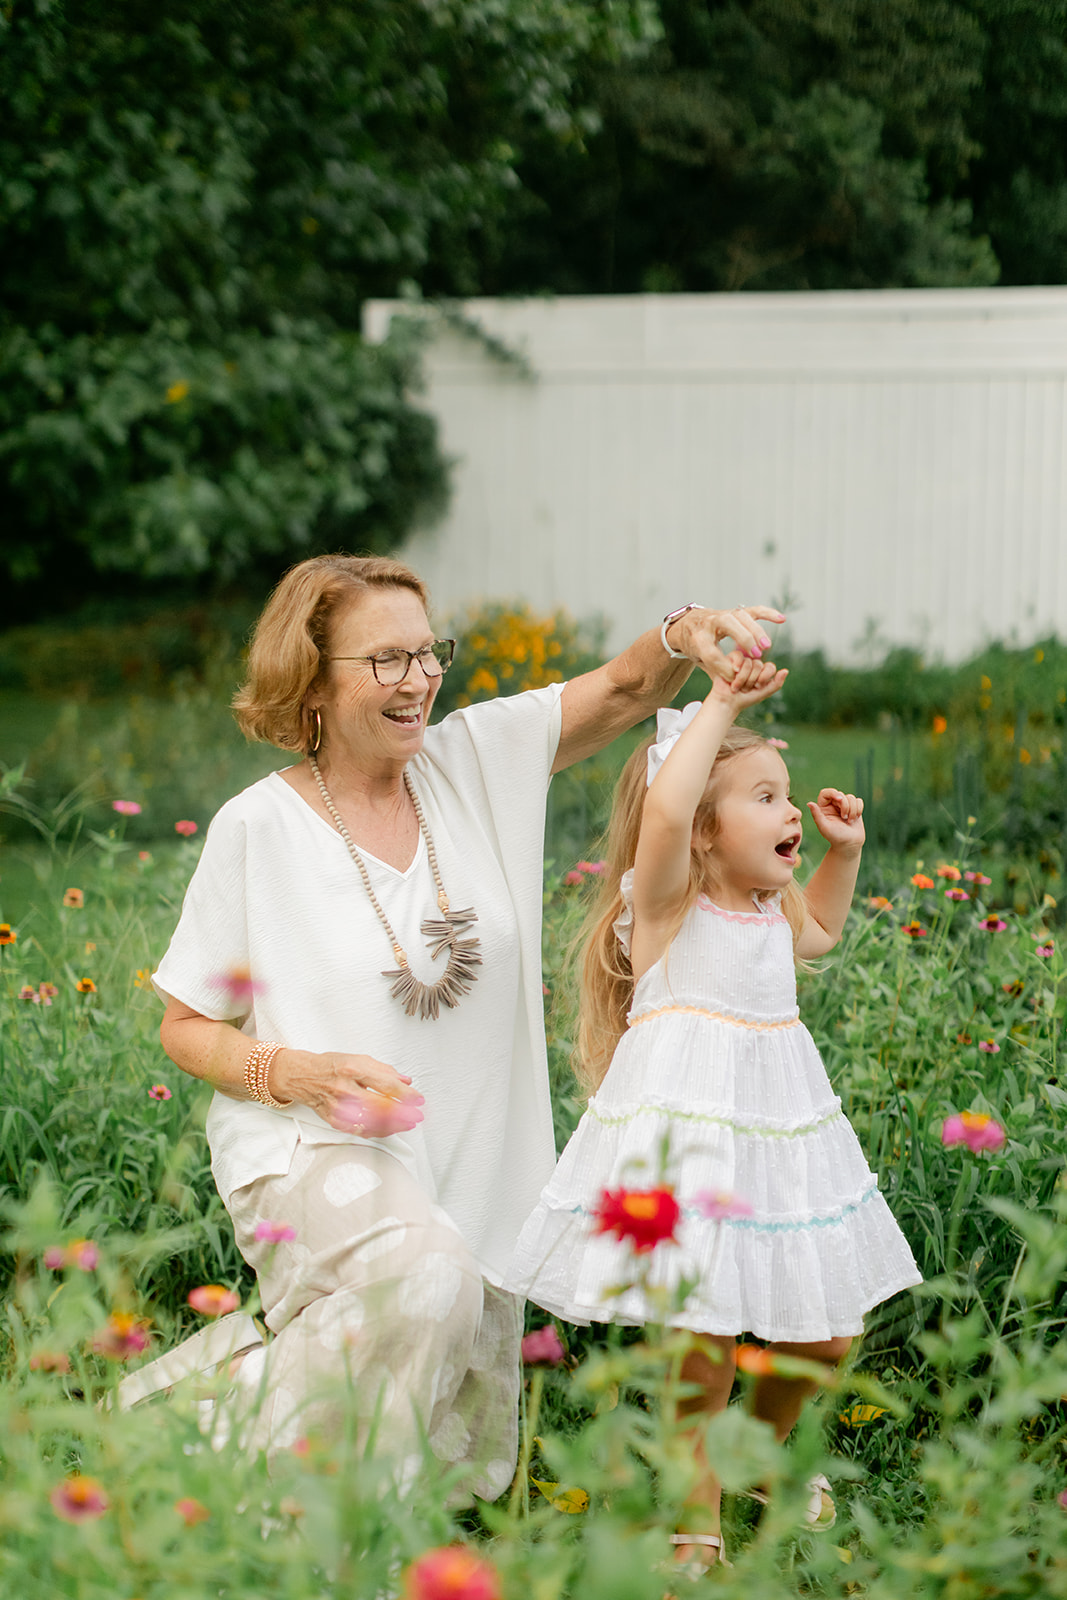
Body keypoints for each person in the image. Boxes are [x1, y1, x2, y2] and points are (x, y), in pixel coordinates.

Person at [147, 551, 785, 1494]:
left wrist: (684, 634)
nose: (421, 680)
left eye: (428, 651)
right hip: (308, 1147)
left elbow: (618, 691)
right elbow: (185, 1025)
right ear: (313, 680)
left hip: (474, 1161)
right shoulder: (257, 828)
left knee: (463, 1457)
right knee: (421, 1279)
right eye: (387, 661)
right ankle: (332, 1537)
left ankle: (207, 1415)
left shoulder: (472, 760)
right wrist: (297, 1073)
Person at [505, 660, 922, 1564]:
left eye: (786, 796)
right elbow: (659, 812)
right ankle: (693, 1516)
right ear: (701, 831)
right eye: (765, 797)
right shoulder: (663, 908)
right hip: (690, 1146)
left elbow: (822, 932)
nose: (789, 813)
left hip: (777, 1140)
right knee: (702, 1342)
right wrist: (722, 702)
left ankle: (766, 1447)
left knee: (825, 1330)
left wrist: (843, 856)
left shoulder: (772, 912)